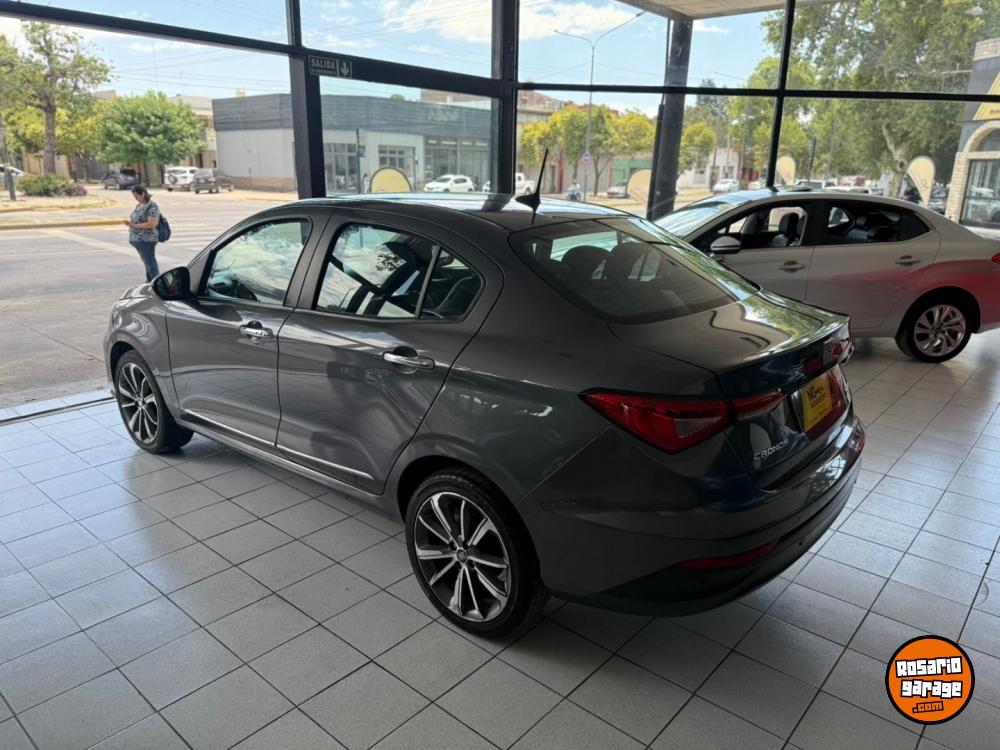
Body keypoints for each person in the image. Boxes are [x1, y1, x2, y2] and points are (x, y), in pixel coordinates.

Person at [125, 185, 161, 282]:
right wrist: (130, 223)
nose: (136, 198)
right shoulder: (139, 205)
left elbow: (151, 224)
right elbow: (138, 219)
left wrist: (134, 226)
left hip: (146, 239)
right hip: (137, 239)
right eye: (134, 196)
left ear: (143, 194)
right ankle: (150, 281)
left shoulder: (152, 206)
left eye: (137, 196)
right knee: (147, 262)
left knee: (150, 262)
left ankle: (155, 282)